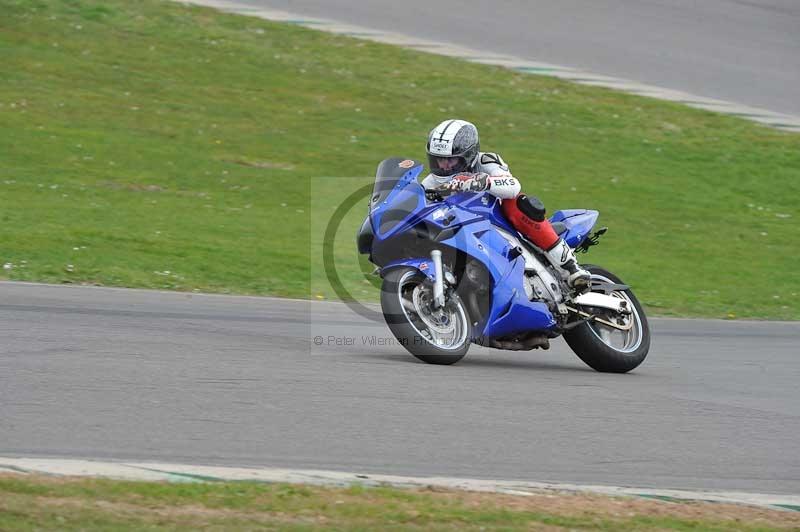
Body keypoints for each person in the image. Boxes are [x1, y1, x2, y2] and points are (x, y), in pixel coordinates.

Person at [422, 119, 591, 290]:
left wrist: (482, 182)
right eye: (438, 160)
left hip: (498, 220)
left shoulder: (486, 161)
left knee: (518, 204)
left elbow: (512, 186)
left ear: (469, 155)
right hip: (459, 227)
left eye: (451, 161)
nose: (443, 166)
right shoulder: (430, 182)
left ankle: (571, 268)